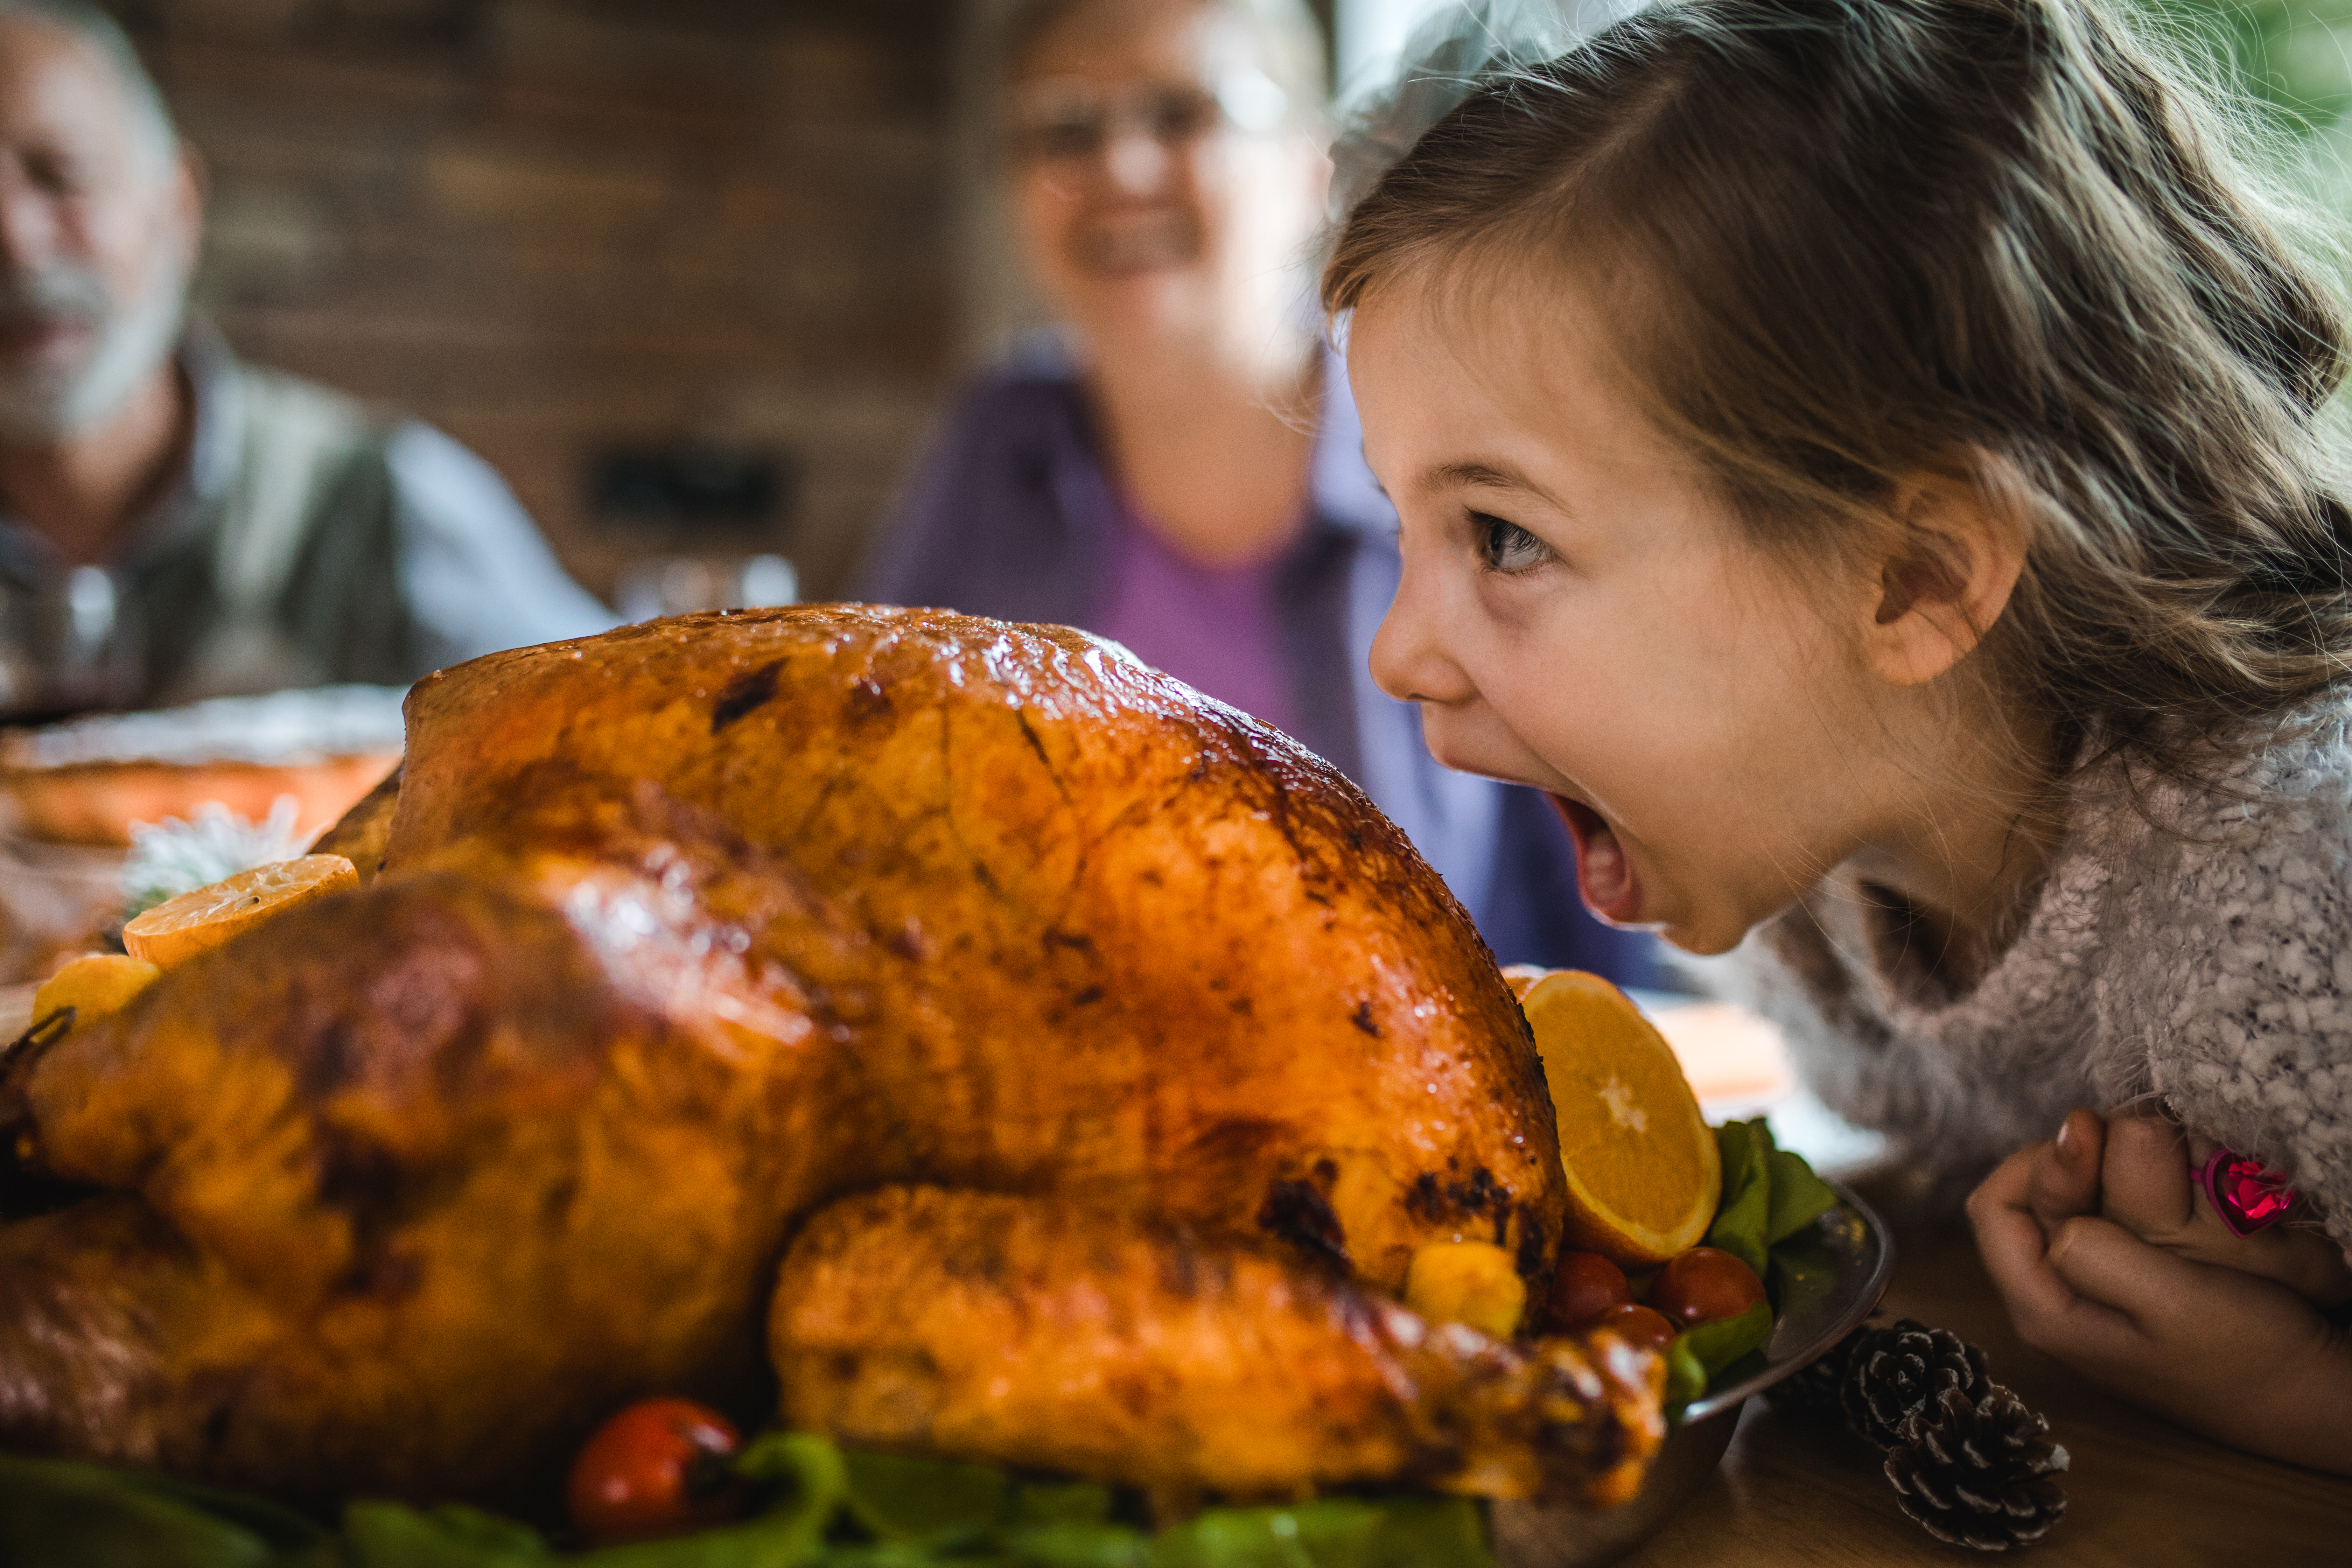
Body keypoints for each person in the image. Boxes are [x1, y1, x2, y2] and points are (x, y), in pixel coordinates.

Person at [1326, 0, 2352, 1468]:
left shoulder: (2310, 894)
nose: (1397, 651)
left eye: (1502, 534)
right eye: (1401, 523)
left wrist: (2308, 1396)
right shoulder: (1800, 903)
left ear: (1918, 579)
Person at [858, 0, 1654, 978]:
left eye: (1182, 113)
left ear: (1311, 170)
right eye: (1065, 128)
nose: (1120, 168)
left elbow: (1614, 912)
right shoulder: (996, 442)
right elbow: (875, 799)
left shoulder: (1461, 444)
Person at [0, 0, 612, 721]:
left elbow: (617, 744)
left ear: (178, 208)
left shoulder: (388, 503)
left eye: (60, 175)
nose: (15, 241)